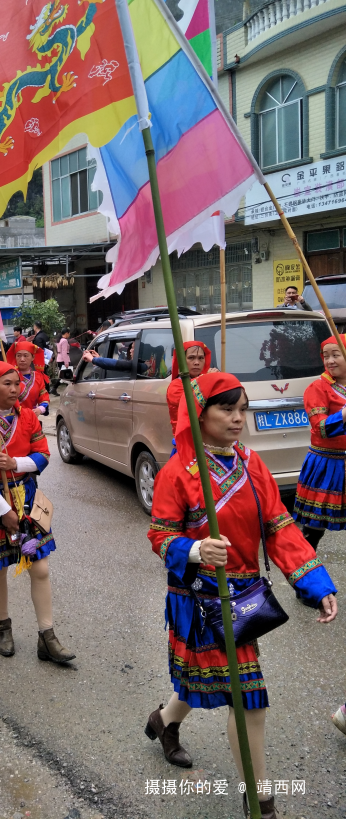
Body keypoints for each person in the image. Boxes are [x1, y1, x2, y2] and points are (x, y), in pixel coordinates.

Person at [146, 372, 337, 819]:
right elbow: (159, 535)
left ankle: (163, 721)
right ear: (199, 414)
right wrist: (194, 548)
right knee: (248, 696)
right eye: (226, 409)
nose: (237, 418)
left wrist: (316, 583)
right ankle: (260, 799)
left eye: (241, 409)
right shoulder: (178, 472)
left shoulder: (252, 464)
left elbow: (279, 526)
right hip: (198, 599)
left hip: (243, 597)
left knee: (204, 680)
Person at [0, 360, 74, 662]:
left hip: (27, 498)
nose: (16, 389)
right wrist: (3, 511)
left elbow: (43, 456)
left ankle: (47, 636)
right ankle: (3, 627)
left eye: (17, 383)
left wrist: (15, 464)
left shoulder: (28, 418)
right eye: (7, 383)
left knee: (39, 568)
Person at [294, 333, 346, 559]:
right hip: (328, 464)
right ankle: (305, 578)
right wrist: (344, 414)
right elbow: (320, 429)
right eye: (326, 356)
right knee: (314, 527)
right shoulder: (318, 388)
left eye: (336, 355)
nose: (330, 360)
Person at [166, 341, 217, 434]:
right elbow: (195, 404)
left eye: (201, 358)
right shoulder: (176, 386)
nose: (197, 362)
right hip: (188, 440)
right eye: (191, 358)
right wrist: (208, 380)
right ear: (181, 360)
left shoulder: (206, 379)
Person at [6, 341, 50, 415]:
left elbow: (43, 397)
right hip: (13, 420)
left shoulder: (38, 376)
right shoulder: (8, 377)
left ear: (33, 357)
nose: (22, 359)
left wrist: (40, 409)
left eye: (26, 356)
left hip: (32, 418)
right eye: (19, 356)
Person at [51, 329, 71, 395]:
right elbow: (64, 352)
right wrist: (66, 362)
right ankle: (68, 392)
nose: (69, 335)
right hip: (64, 359)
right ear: (66, 333)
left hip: (60, 359)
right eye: (69, 333)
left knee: (63, 376)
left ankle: (54, 388)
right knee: (68, 376)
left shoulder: (59, 340)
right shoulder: (64, 341)